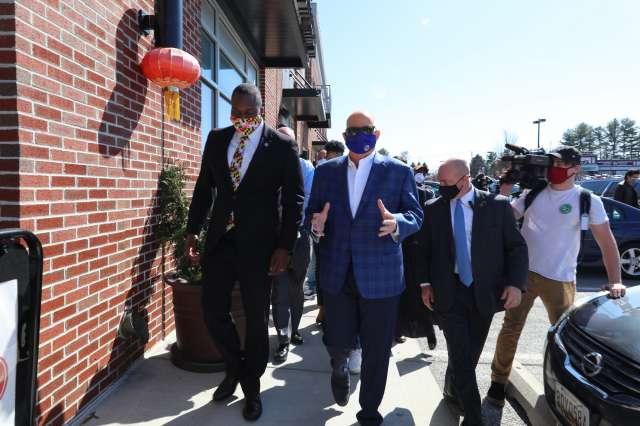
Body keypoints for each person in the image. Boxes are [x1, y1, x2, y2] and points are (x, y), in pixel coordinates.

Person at [185, 83, 304, 421]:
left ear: (260, 110)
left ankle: (251, 386)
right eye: (236, 113)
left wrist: (285, 246)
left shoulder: (281, 145)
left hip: (261, 246)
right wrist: (192, 230)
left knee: (255, 317)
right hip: (221, 241)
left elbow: (294, 200)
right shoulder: (217, 139)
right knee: (211, 309)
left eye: (249, 113)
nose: (242, 119)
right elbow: (204, 189)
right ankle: (235, 367)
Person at [305, 111, 423, 426]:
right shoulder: (326, 171)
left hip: (381, 276)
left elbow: (415, 215)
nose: (358, 136)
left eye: (365, 130)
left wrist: (397, 223)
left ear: (377, 133)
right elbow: (311, 214)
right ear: (344, 136)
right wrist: (316, 224)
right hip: (338, 272)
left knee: (376, 350)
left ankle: (369, 413)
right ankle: (339, 366)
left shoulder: (398, 171)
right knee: (336, 339)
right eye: (352, 131)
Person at [487, 146, 627, 408]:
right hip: (523, 274)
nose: (553, 168)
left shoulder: (587, 200)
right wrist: (505, 189)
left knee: (565, 338)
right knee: (510, 328)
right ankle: (498, 382)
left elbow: (607, 243)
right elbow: (504, 218)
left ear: (575, 169)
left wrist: (616, 280)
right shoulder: (534, 193)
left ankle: (567, 390)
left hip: (560, 279)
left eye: (560, 164)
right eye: (551, 163)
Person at [416, 159, 528, 426]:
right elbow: (423, 249)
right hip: (449, 291)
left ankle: (452, 389)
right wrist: (425, 284)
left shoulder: (497, 206)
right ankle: (474, 418)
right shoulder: (433, 208)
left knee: (469, 355)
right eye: (439, 182)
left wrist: (515, 284)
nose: (440, 187)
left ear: (464, 180)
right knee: (462, 357)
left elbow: (516, 247)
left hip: (484, 293)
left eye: (446, 182)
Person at [270, 126, 314, 364]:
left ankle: (294, 329)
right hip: (273, 238)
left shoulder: (307, 169)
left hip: (301, 236)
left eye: (287, 140)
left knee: (297, 287)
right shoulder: (266, 165)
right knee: (279, 290)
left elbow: (308, 201)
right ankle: (283, 339)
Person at [306, 139, 346, 325]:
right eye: (329, 157)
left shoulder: (349, 171)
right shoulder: (321, 172)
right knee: (322, 269)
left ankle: (333, 310)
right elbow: (313, 203)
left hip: (341, 232)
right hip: (323, 231)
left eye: (333, 156)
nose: (331, 160)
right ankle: (323, 308)